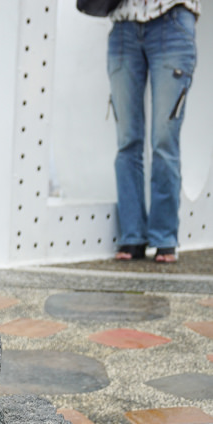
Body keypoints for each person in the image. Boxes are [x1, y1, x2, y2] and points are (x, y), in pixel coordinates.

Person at [109, 0, 200, 263]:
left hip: (171, 20)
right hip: (123, 24)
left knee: (164, 139)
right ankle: (132, 235)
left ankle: (164, 237)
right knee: (127, 140)